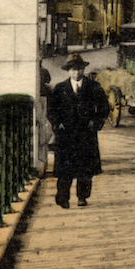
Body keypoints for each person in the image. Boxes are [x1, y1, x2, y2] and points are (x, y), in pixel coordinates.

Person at [47, 53, 110, 209]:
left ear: (83, 70)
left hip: (86, 134)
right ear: (68, 71)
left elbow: (104, 107)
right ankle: (63, 198)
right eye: (73, 70)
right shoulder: (60, 88)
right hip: (66, 134)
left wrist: (95, 123)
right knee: (64, 169)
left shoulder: (94, 87)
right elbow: (51, 110)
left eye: (79, 69)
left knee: (85, 168)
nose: (77, 73)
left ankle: (82, 197)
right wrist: (57, 124)